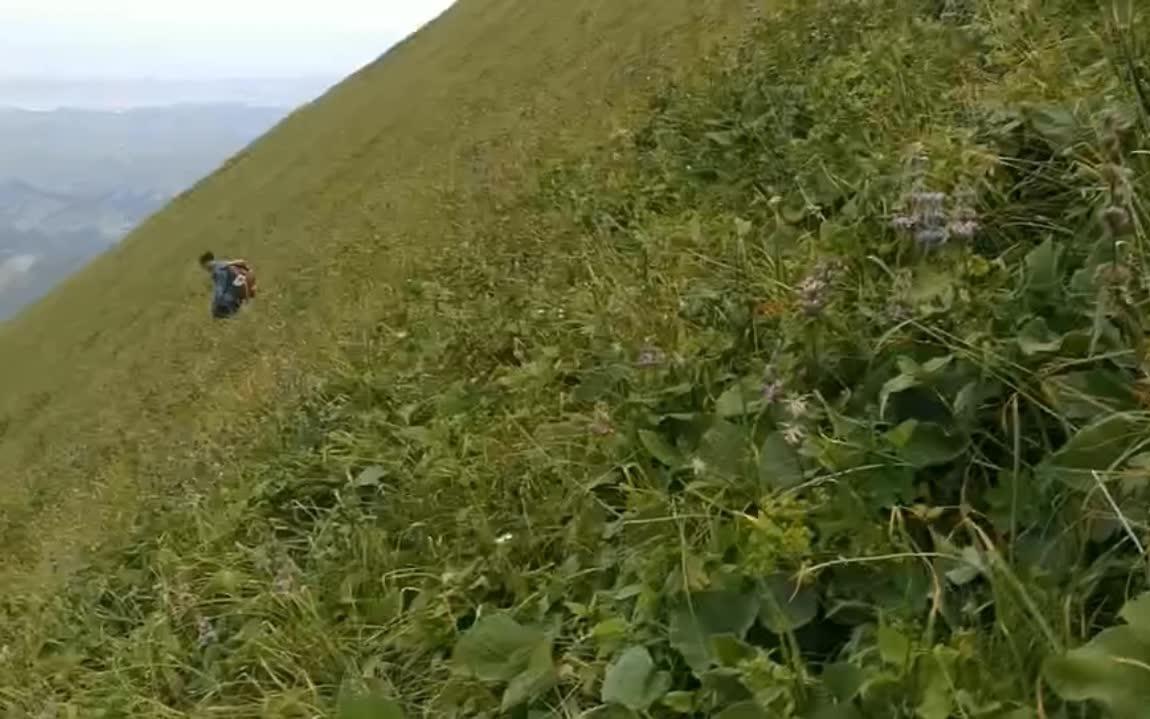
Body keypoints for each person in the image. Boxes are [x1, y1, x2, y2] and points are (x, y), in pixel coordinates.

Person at [198, 251, 256, 319]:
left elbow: (220, 289)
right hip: (237, 298)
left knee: (217, 312)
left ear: (207, 262)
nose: (205, 269)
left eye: (204, 266)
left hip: (230, 301)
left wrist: (213, 304)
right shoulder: (224, 263)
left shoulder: (218, 270)